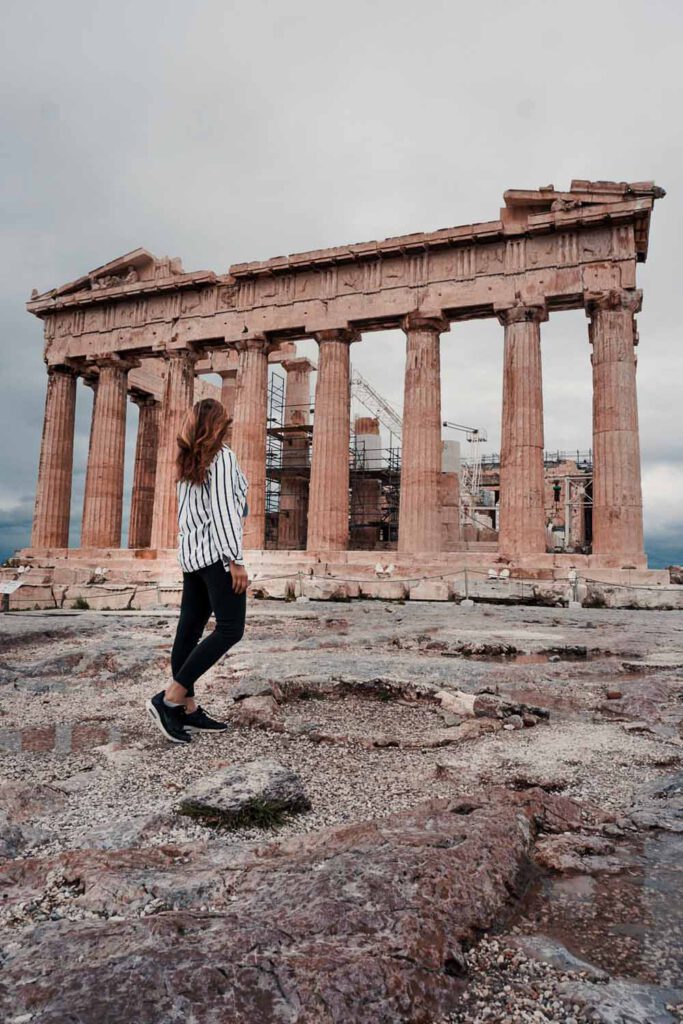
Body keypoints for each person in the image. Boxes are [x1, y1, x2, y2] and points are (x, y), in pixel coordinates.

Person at [146, 398, 249, 744]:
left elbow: (190, 517)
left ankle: (187, 711)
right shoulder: (222, 458)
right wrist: (235, 559)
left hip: (193, 558)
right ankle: (170, 698)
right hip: (218, 558)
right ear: (219, 425)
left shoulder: (188, 463)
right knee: (231, 628)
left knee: (188, 631)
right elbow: (224, 513)